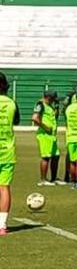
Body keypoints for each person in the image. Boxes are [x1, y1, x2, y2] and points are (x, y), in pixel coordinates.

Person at [0, 72, 20, 235]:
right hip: (7, 150)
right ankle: (2, 225)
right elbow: (16, 121)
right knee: (4, 187)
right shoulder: (12, 103)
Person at [32, 90, 59, 186]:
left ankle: (53, 179)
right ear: (48, 98)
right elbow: (35, 118)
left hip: (52, 135)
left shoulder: (50, 106)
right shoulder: (40, 104)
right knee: (46, 157)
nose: (53, 101)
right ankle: (43, 179)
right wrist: (45, 127)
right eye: (52, 99)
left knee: (56, 156)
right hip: (45, 135)